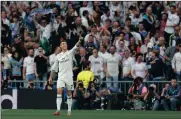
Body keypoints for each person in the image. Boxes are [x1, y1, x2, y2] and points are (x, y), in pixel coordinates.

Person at [49, 39, 81, 116]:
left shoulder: (70, 53)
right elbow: (54, 68)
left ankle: (69, 111)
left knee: (69, 93)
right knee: (59, 91)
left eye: (65, 44)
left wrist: (80, 40)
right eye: (63, 44)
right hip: (61, 77)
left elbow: (76, 46)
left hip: (69, 76)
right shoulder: (58, 56)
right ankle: (58, 110)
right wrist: (51, 77)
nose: (64, 45)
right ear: (60, 46)